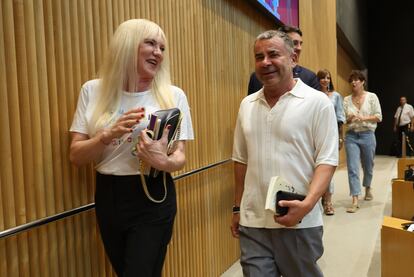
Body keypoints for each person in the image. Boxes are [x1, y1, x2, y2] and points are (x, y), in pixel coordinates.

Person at [69, 19, 194, 276]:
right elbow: (76, 156)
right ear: (127, 45)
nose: (158, 52)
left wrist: (163, 161)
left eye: (162, 47)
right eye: (150, 43)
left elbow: (180, 156)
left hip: (153, 192)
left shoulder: (173, 95)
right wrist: (106, 135)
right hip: (108, 194)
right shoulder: (92, 90)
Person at [231, 30, 338, 277]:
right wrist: (237, 208)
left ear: (293, 59)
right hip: (253, 221)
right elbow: (240, 160)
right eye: (259, 56)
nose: (265, 62)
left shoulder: (317, 102)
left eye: (273, 54)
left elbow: (327, 160)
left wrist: (308, 204)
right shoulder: (247, 105)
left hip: (299, 221)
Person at [343, 70, 382, 213]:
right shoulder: (346, 100)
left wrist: (363, 118)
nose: (353, 82)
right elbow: (344, 120)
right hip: (352, 135)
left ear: (362, 82)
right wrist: (350, 118)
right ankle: (355, 199)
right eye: (351, 80)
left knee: (368, 165)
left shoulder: (372, 97)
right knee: (353, 168)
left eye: (356, 80)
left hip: (367, 134)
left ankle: (368, 187)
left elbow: (379, 117)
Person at [247, 25, 320, 95]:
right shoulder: (256, 78)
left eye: (300, 44)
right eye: (294, 43)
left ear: (293, 59)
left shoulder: (309, 77)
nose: (299, 48)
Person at [316, 69, 345, 215]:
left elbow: (340, 118)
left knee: (328, 168)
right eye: (322, 77)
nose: (325, 80)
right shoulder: (313, 95)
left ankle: (328, 202)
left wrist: (340, 137)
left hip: (332, 135)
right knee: (315, 169)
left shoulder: (336, 96)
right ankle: (317, 199)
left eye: (328, 77)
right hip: (315, 136)